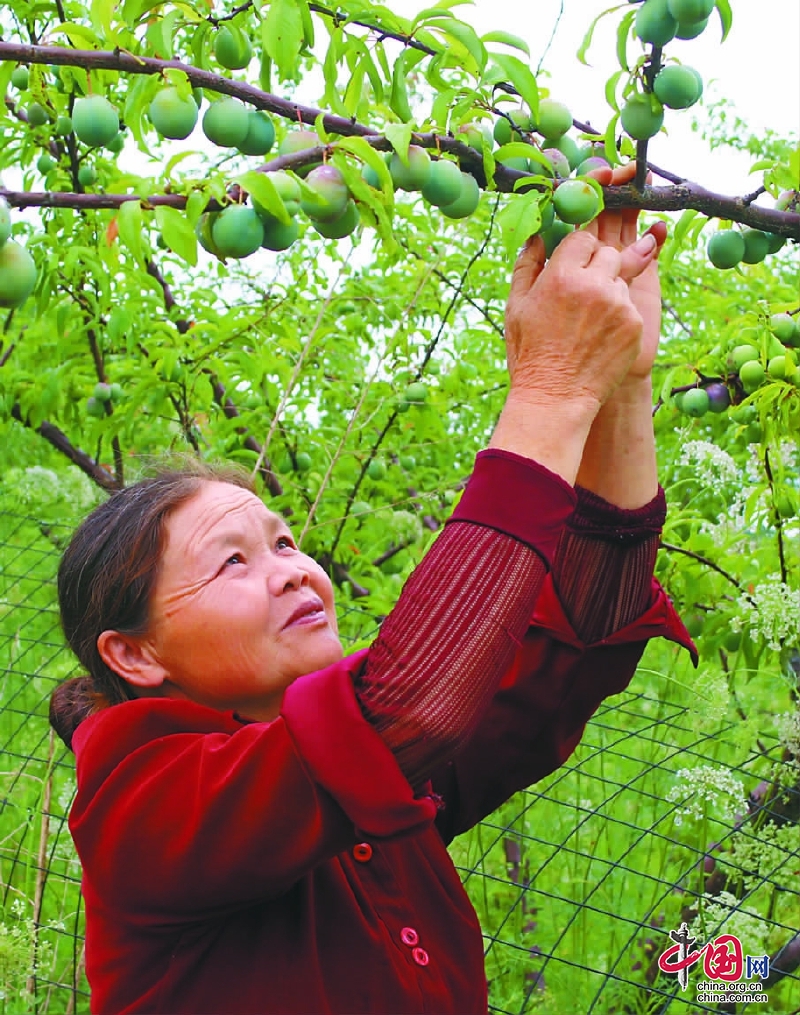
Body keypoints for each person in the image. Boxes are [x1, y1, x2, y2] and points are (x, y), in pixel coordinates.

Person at [50, 163, 696, 1015]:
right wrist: (549, 387)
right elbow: (408, 707)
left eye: (283, 539)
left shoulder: (374, 784)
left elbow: (578, 630)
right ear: (132, 654)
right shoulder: (144, 804)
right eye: (234, 560)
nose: (292, 565)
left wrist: (618, 383)